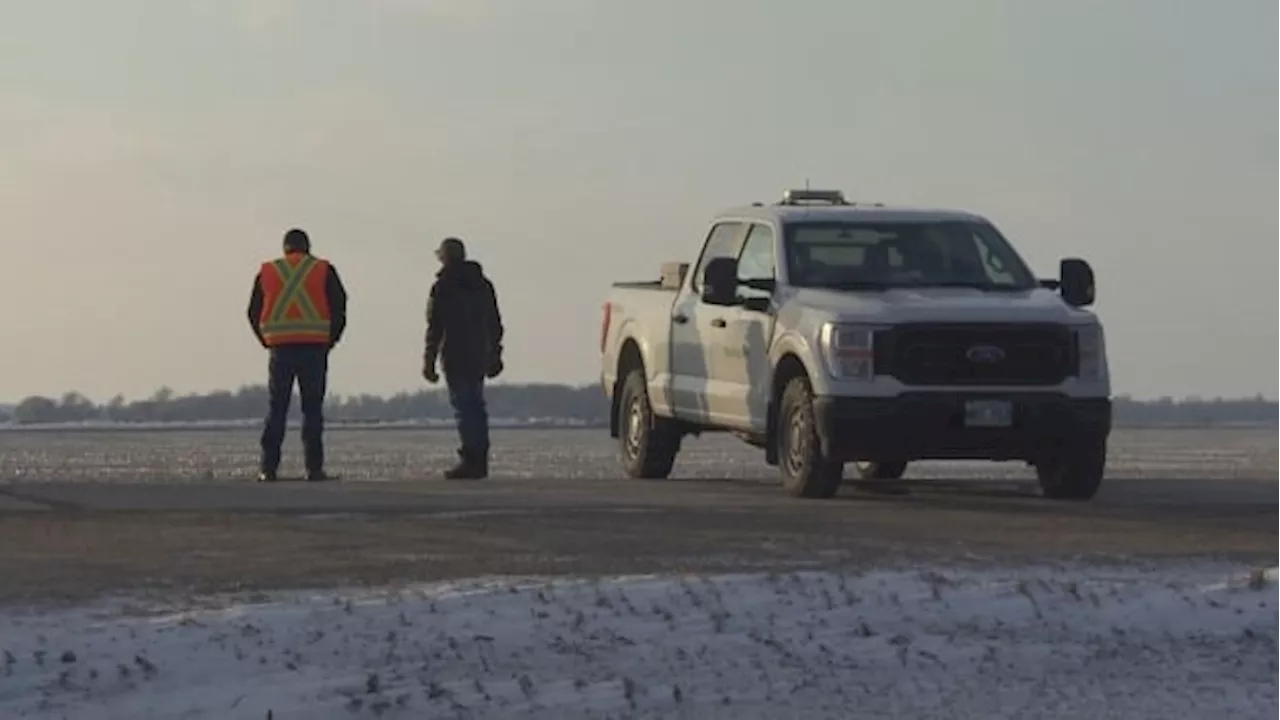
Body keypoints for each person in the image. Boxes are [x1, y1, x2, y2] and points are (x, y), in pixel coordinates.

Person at [246, 228, 348, 482]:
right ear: (307, 247)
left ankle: (268, 468)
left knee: (277, 408)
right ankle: (314, 468)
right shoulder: (323, 270)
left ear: (285, 248)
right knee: (312, 409)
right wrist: (329, 340)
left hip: (280, 348)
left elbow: (253, 311)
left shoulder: (269, 272)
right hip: (314, 348)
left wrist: (267, 339)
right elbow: (340, 306)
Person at [422, 237, 504, 479]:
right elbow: (494, 322)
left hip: (455, 355)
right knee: (476, 407)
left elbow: (434, 327)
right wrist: (495, 354)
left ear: (445, 257)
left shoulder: (443, 286)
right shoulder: (483, 285)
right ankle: (480, 459)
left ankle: (471, 459)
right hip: (479, 353)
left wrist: (428, 360)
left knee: (464, 408)